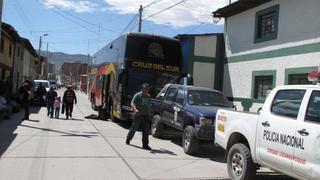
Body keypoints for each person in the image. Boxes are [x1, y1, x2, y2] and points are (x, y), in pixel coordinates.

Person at [126, 83, 152, 150]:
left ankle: (145, 145)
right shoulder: (138, 95)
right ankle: (128, 138)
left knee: (146, 131)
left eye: (147, 89)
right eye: (145, 88)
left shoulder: (149, 96)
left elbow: (149, 106)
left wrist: (150, 113)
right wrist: (135, 109)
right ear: (142, 88)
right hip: (138, 115)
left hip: (146, 115)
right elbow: (132, 103)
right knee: (134, 128)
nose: (146, 90)